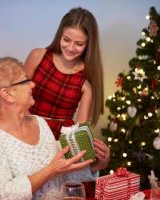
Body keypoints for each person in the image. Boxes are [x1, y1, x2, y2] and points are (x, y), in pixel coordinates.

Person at [0, 57, 110, 200]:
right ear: (7, 94)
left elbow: (62, 175)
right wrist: (51, 171)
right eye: (25, 81)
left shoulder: (39, 122)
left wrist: (96, 165)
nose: (32, 85)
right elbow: (4, 195)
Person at [24, 7, 104, 140]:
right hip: (26, 127)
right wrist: (32, 128)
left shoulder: (86, 79)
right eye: (66, 40)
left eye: (79, 44)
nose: (71, 48)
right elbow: (18, 97)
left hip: (59, 139)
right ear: (60, 35)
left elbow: (80, 131)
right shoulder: (37, 56)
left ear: (88, 45)